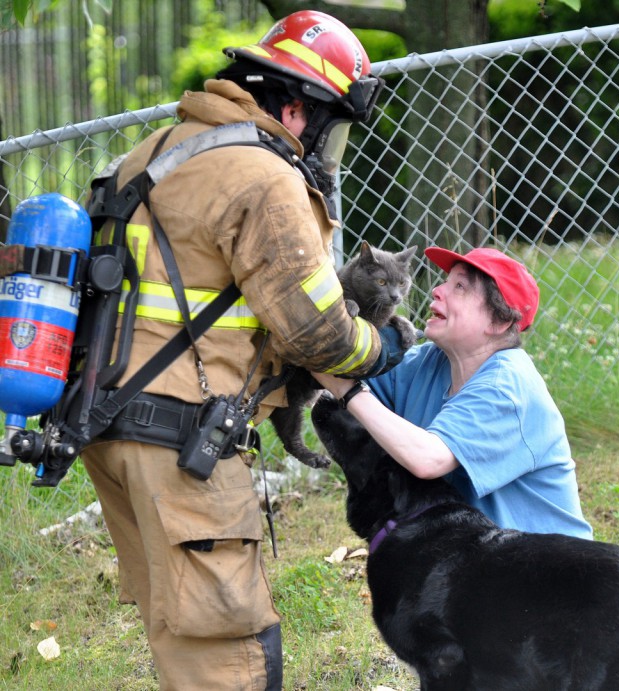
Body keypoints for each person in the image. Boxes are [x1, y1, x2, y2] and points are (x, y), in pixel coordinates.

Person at [80, 10, 405, 690]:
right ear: (295, 109)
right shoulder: (264, 175)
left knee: (183, 631)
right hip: (179, 440)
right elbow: (317, 333)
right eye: (331, 128)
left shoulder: (156, 151)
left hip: (108, 426)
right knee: (231, 653)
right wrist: (386, 345)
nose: (328, 149)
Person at [314, 246, 594, 540]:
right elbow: (336, 370)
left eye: (459, 287)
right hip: (472, 560)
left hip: (546, 572)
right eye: (445, 281)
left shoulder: (508, 387)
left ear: (498, 322)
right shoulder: (430, 361)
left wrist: (347, 390)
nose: (437, 290)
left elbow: (428, 460)